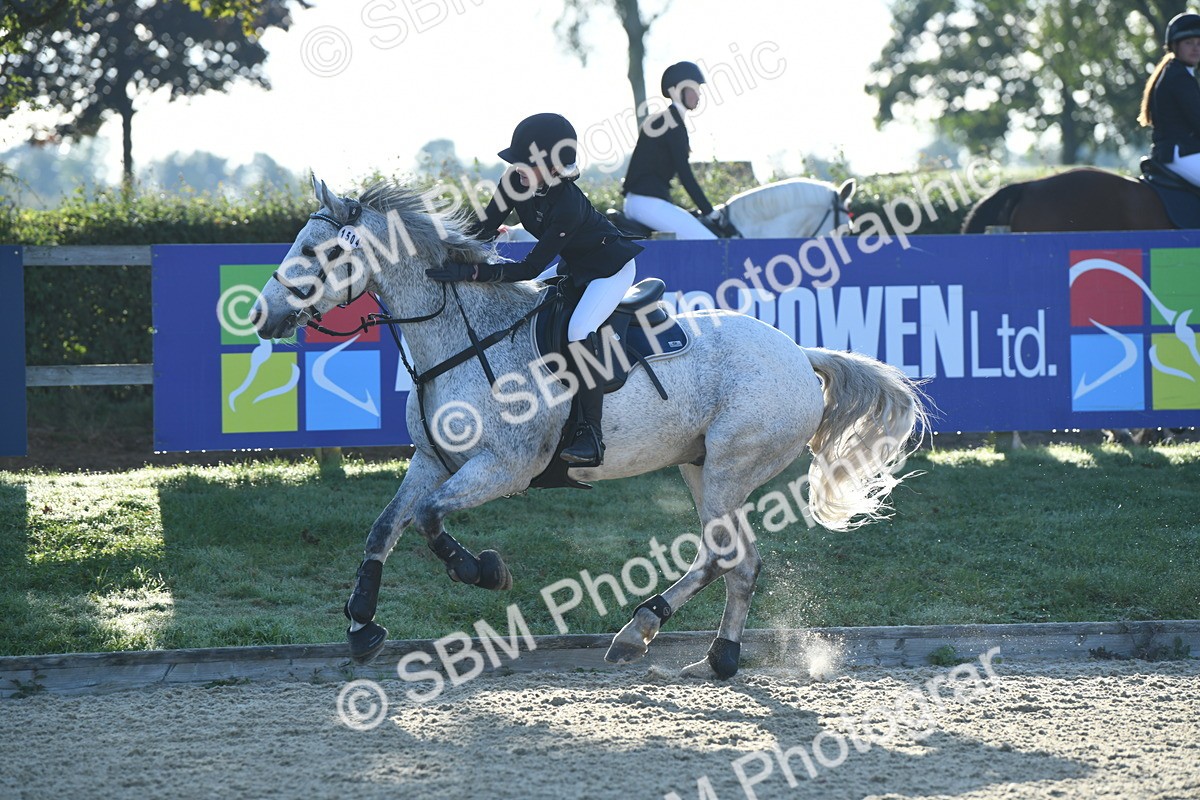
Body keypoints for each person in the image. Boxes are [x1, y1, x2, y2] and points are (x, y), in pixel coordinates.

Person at [425, 113, 643, 467]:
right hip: (574, 267)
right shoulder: (515, 180)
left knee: (578, 332)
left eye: (525, 162)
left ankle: (592, 435)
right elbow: (482, 230)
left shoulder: (568, 206)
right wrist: (445, 252)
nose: (515, 167)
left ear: (551, 165)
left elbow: (528, 268)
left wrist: (470, 271)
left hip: (609, 270)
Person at [622, 61, 720, 240]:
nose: (698, 94)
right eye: (693, 89)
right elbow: (684, 174)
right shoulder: (671, 123)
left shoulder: (668, 120)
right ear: (677, 91)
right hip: (646, 202)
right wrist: (709, 211)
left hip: (644, 201)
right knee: (709, 241)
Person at [1140, 12, 1200, 187]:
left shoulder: (1178, 72)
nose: (1195, 48)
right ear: (1175, 46)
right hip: (1179, 153)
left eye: (1199, 43)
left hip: (1182, 151)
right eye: (1189, 43)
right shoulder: (1179, 78)